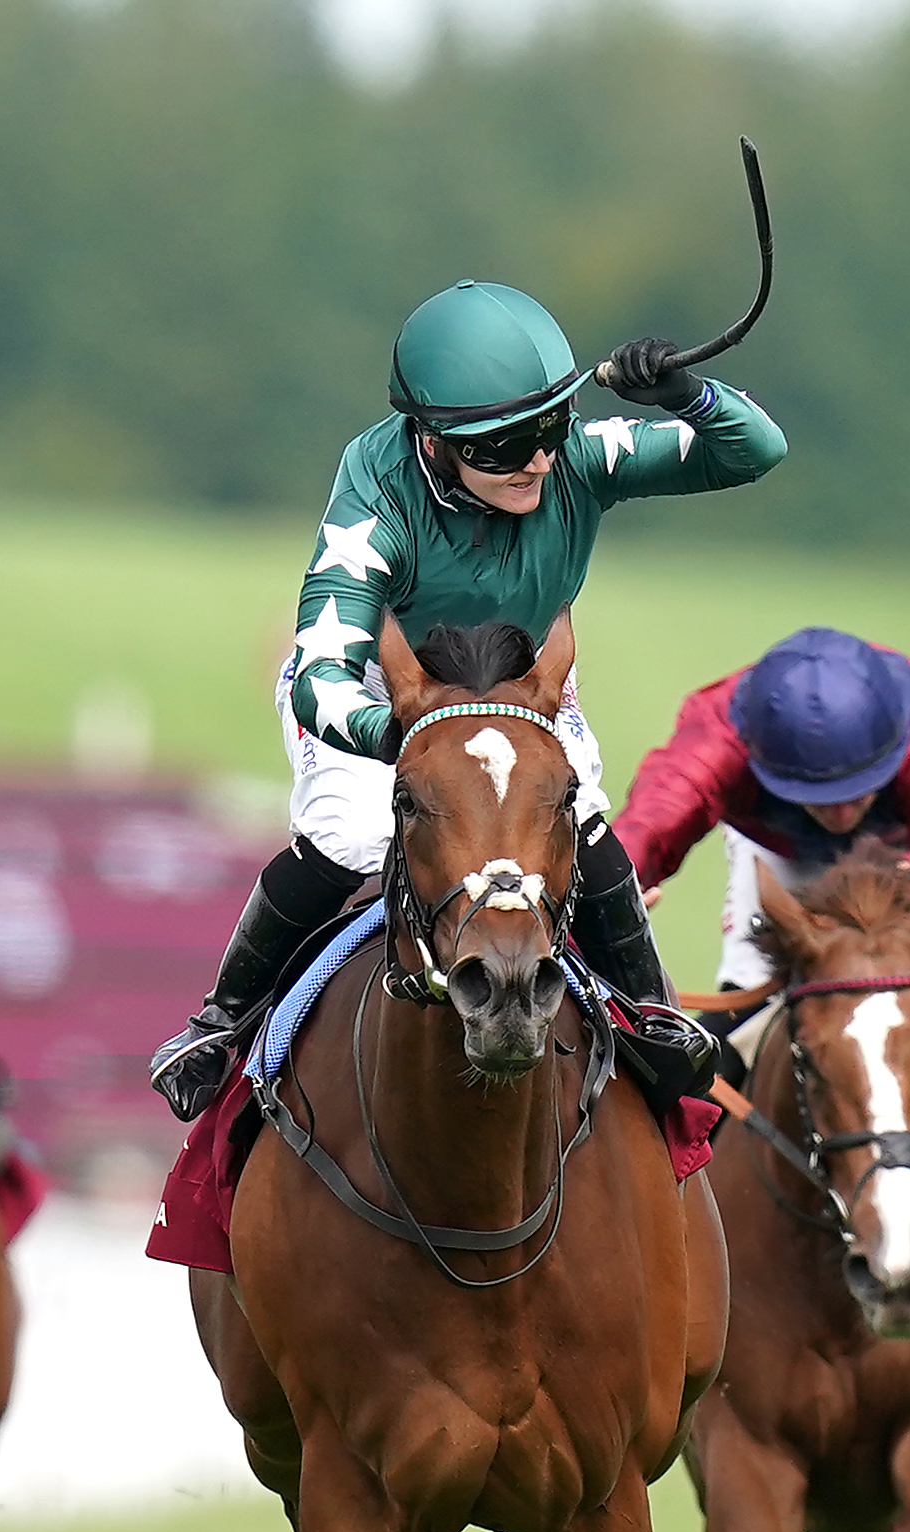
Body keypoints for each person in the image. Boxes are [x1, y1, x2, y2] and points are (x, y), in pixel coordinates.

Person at [148, 281, 788, 1118]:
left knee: (581, 820)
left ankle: (648, 1016)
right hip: (387, 695)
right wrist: (402, 731)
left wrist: (683, 394)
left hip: (520, 693)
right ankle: (221, 1022)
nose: (536, 461)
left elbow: (754, 451)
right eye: (503, 447)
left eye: (550, 429)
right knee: (350, 832)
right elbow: (320, 680)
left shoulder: (576, 460)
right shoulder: (375, 497)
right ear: (435, 440)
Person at [612, 625, 910, 1261]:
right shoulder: (722, 727)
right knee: (736, 1028)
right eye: (817, 797)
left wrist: (894, 907)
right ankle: (645, 1214)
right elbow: (659, 811)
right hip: (781, 863)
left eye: (857, 790)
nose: (841, 812)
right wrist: (615, 885)